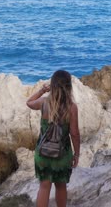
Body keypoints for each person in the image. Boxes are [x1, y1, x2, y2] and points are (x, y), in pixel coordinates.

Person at [26, 70, 81, 207]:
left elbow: (29, 102)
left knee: (44, 187)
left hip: (43, 153)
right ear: (69, 87)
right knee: (61, 186)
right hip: (62, 155)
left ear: (52, 85)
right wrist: (77, 154)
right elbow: (74, 134)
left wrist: (42, 90)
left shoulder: (44, 102)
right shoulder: (71, 107)